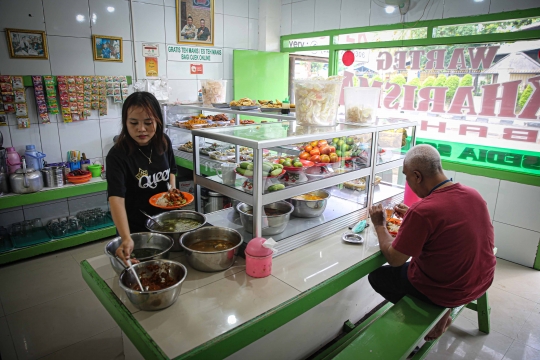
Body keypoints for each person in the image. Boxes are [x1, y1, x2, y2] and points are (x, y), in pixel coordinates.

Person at [368, 144, 496, 341]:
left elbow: (395, 259)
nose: (408, 181)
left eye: (407, 175)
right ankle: (436, 312)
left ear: (417, 176)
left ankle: (430, 317)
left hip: (448, 292)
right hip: (482, 280)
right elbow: (447, 221)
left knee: (377, 276)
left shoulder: (423, 211)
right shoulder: (473, 194)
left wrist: (379, 224)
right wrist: (412, 215)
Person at [106, 92, 177, 265]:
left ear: (158, 121)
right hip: (134, 229)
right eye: (134, 123)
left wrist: (172, 190)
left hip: (164, 223)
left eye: (148, 122)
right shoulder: (117, 155)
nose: (142, 129)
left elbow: (172, 170)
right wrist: (125, 237)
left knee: (166, 267)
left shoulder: (163, 142)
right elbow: (116, 199)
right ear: (125, 122)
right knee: (139, 274)